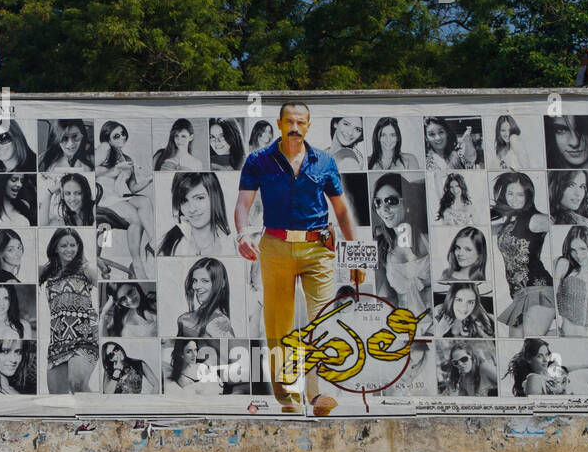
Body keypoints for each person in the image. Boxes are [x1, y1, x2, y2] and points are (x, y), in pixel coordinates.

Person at [233, 101, 362, 416]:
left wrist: (355, 256)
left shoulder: (324, 162)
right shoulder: (258, 161)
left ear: (308, 125)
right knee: (279, 323)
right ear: (279, 123)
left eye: (301, 122)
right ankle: (287, 394)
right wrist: (242, 235)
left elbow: (342, 210)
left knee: (323, 320)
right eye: (289, 121)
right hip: (275, 246)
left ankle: (320, 395)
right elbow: (242, 204)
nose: (295, 126)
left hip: (318, 248)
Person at [40, 228, 98, 394]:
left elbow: (109, 287)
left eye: (73, 245)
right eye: (64, 245)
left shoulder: (85, 269)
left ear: (79, 247)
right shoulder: (47, 273)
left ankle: (98, 415)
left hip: (84, 337)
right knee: (57, 399)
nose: (69, 249)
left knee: (77, 383)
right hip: (58, 342)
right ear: (55, 248)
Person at [96, 121, 156, 278]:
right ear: (107, 138)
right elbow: (90, 171)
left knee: (144, 201)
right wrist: (115, 169)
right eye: (116, 136)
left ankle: (153, 242)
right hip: (100, 198)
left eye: (123, 133)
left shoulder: (126, 157)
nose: (122, 137)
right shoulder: (105, 148)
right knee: (134, 218)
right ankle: (137, 263)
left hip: (114, 197)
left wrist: (149, 179)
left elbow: (133, 187)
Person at [371, 174, 431, 314]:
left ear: (407, 203)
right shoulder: (381, 248)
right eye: (378, 202)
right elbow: (384, 298)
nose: (383, 209)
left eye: (391, 201)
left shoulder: (430, 238)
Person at [491, 172, 553, 296]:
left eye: (520, 194)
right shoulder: (509, 222)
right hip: (517, 293)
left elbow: (563, 224)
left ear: (528, 196)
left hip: (539, 290)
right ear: (504, 195)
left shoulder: (535, 219)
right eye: (510, 193)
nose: (514, 199)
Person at [158, 172, 234, 257]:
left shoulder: (232, 245)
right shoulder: (168, 245)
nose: (191, 209)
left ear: (215, 197)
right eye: (184, 201)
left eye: (199, 198)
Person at [553, 226, 588, 336]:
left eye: (583, 249)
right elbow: (550, 298)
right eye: (573, 250)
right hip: (568, 337)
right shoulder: (564, 266)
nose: (578, 255)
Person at [506, 339, 588, 396]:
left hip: (587, 383)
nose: (545, 360)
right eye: (539, 356)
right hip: (585, 391)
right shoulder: (533, 378)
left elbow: (565, 368)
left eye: (546, 354)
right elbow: (535, 403)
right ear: (529, 359)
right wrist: (560, 391)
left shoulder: (548, 371)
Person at [177, 257, 234, 338]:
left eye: (205, 281)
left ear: (222, 283)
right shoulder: (184, 319)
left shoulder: (219, 321)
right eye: (195, 281)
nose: (196, 286)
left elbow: (229, 349)